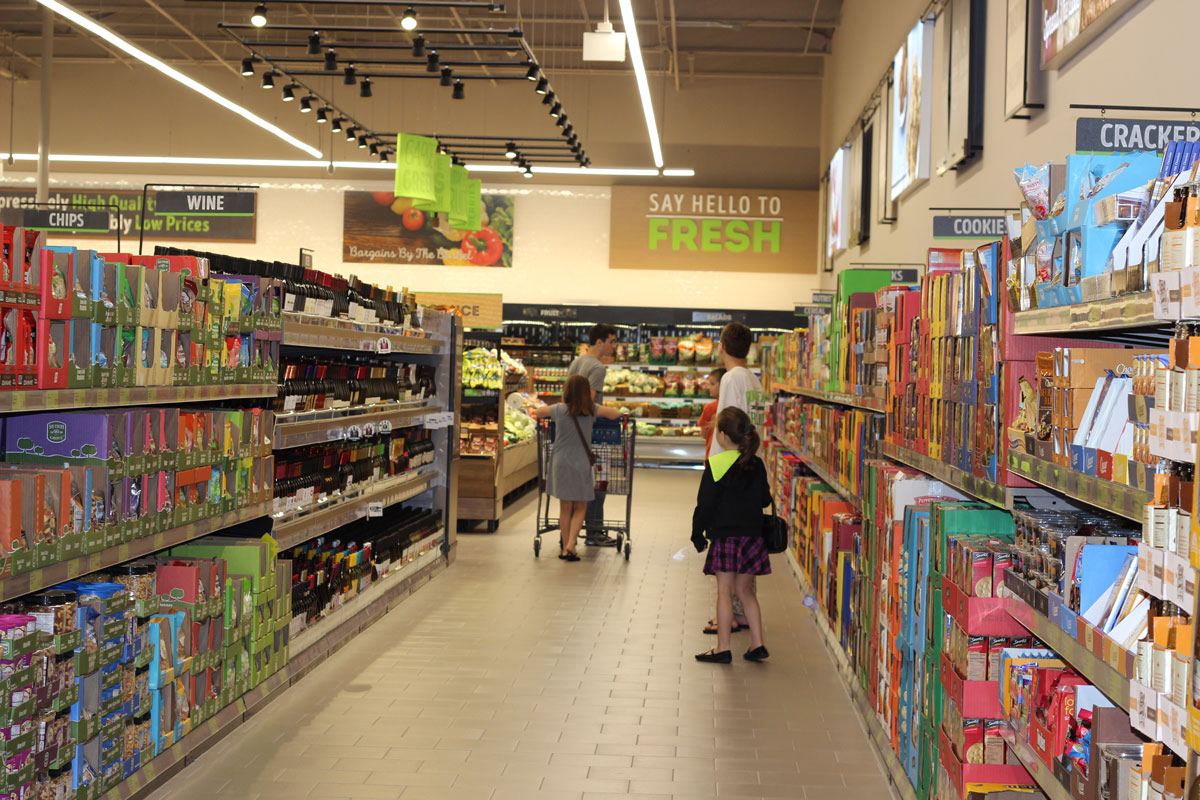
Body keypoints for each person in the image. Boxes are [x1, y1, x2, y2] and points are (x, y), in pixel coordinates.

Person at [690, 407, 771, 663]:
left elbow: (705, 505)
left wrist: (697, 534)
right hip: (752, 537)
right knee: (746, 591)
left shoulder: (716, 465)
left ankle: (723, 648)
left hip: (725, 537)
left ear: (723, 436)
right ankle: (757, 644)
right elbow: (765, 499)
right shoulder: (756, 464)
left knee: (724, 591)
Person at [701, 322, 764, 635]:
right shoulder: (753, 378)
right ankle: (739, 611)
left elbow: (727, 427)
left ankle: (729, 616)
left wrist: (715, 471)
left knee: (724, 547)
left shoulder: (730, 378)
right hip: (750, 466)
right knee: (744, 548)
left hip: (729, 468)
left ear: (721, 347)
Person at [531, 375, 620, 560]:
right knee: (581, 506)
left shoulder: (559, 409)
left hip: (561, 461)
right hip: (581, 462)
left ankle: (565, 548)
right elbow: (615, 414)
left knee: (565, 507)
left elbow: (538, 412)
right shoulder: (591, 409)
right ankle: (572, 543)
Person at [567, 323, 618, 547]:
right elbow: (587, 402)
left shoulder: (577, 361)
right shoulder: (598, 367)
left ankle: (569, 534)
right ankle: (594, 531)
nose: (614, 346)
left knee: (578, 482)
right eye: (612, 341)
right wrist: (609, 413)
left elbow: (568, 396)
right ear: (600, 342)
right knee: (600, 481)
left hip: (572, 432)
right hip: (593, 433)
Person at [698, 367, 727, 459]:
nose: (708, 387)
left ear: (722, 385)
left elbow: (704, 434)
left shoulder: (710, 407)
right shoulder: (733, 405)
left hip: (712, 454)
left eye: (712, 384)